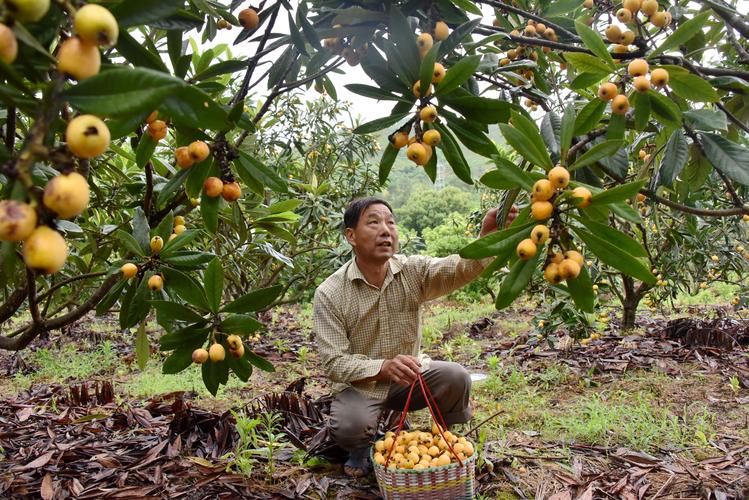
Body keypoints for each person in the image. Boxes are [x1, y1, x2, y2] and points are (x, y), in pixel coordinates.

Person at [313, 197, 517, 477]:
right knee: (351, 425)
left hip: (409, 378)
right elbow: (334, 363)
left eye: (390, 222)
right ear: (351, 236)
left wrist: (488, 238)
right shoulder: (330, 293)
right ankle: (360, 450)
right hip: (360, 386)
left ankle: (443, 440)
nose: (386, 230)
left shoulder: (412, 271)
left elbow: (457, 268)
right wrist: (383, 367)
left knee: (456, 376)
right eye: (373, 222)